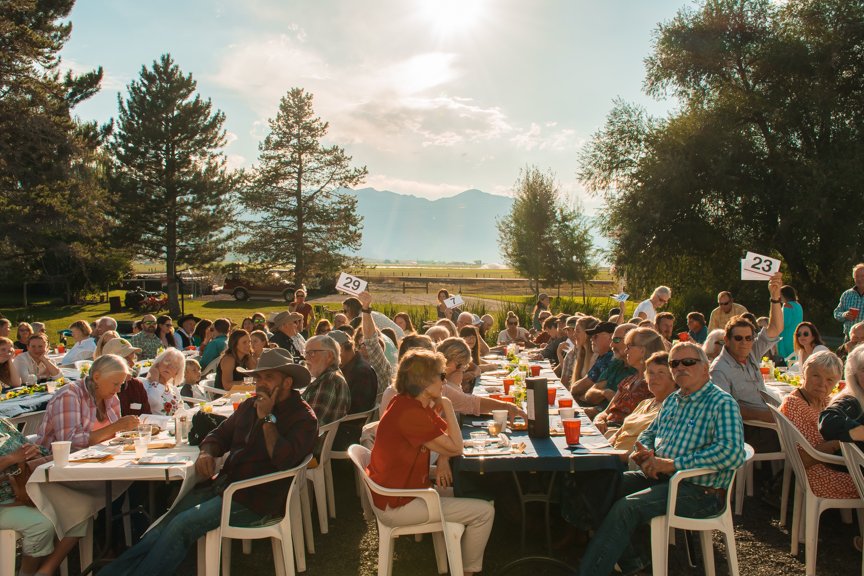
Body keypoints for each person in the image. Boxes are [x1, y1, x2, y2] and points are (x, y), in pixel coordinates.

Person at [99, 348, 318, 576]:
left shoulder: (302, 417)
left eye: (269, 377)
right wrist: (207, 453)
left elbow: (284, 459)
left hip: (257, 498)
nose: (260, 383)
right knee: (166, 520)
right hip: (225, 485)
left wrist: (267, 419)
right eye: (258, 377)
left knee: (181, 525)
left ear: (287, 382)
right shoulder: (249, 406)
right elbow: (218, 435)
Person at [577, 342, 745, 576]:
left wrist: (673, 464)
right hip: (662, 478)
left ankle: (591, 571)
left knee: (626, 508)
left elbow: (732, 453)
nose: (680, 367)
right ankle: (635, 562)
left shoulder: (721, 403)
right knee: (597, 485)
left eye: (688, 362)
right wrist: (644, 452)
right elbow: (649, 433)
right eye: (674, 363)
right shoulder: (674, 400)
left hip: (700, 491)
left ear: (706, 369)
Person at [366, 349, 495, 576]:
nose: (444, 380)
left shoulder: (408, 402)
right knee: (484, 511)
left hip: (400, 491)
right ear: (425, 383)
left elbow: (444, 436)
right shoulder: (411, 413)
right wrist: (445, 404)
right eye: (441, 376)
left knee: (469, 493)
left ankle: (459, 562)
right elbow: (456, 447)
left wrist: (438, 406)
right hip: (398, 503)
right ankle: (466, 571)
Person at [709, 271, 784, 453]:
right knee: (796, 437)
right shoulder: (719, 369)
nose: (744, 343)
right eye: (738, 338)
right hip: (747, 430)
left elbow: (775, 328)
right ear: (727, 340)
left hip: (767, 420)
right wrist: (771, 416)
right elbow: (728, 409)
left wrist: (775, 297)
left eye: (749, 338)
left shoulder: (750, 353)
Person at [0, 417, 85, 575]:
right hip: (4, 502)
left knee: (79, 509)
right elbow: (14, 456)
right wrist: (11, 459)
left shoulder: (2, 422)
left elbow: (27, 446)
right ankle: (27, 572)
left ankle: (45, 571)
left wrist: (34, 452)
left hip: (26, 491)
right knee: (41, 525)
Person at [779, 351, 858, 500]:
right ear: (804, 373)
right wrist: (842, 441)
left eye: (830, 380)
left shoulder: (827, 402)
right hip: (819, 474)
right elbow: (805, 458)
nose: (822, 384)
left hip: (833, 466)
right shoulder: (794, 404)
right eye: (816, 376)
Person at [37, 354, 140, 449]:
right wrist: (116, 426)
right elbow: (70, 442)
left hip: (98, 459)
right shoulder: (69, 395)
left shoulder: (111, 397)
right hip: (61, 464)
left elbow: (115, 436)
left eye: (121, 384)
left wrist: (133, 427)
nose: (118, 390)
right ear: (96, 377)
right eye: (115, 384)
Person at [593, 327, 665, 435]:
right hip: (606, 431)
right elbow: (605, 412)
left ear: (642, 350)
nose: (626, 350)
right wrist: (598, 420)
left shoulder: (653, 386)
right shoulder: (628, 380)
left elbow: (641, 427)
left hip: (620, 436)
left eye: (629, 346)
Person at [608, 351, 676, 457]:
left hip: (629, 462)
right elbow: (619, 433)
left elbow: (652, 450)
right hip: (612, 454)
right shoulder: (645, 403)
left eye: (661, 372)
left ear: (674, 379)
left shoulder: (672, 408)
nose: (654, 377)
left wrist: (611, 456)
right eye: (650, 373)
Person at [581, 323, 639, 415]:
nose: (611, 345)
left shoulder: (642, 371)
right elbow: (589, 395)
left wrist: (597, 411)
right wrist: (605, 393)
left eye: (616, 340)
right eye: (611, 340)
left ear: (631, 342)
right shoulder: (616, 363)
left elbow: (628, 411)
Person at [301, 335, 351, 425]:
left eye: (311, 353)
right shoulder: (330, 376)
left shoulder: (329, 380)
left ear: (329, 356)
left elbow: (311, 423)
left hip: (314, 437)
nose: (306, 358)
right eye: (305, 353)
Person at [105, 338, 152, 417]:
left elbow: (148, 418)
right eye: (126, 359)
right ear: (109, 363)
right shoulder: (102, 389)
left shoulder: (136, 385)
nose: (132, 363)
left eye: (133, 358)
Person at [141, 348, 185, 416]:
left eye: (174, 366)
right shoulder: (143, 384)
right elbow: (152, 401)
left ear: (176, 373)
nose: (169, 367)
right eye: (167, 361)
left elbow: (181, 412)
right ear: (158, 364)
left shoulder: (174, 390)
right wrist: (155, 381)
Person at [833, 262, 864, 341]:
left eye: (862, 276)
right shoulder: (847, 294)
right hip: (849, 338)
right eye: (857, 276)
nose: (859, 279)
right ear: (854, 278)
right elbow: (836, 312)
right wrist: (844, 314)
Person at [778, 285, 803, 359]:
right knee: (795, 358)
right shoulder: (798, 305)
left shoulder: (786, 305)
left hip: (786, 336)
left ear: (784, 295)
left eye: (780, 295)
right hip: (796, 334)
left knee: (786, 358)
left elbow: (785, 323)